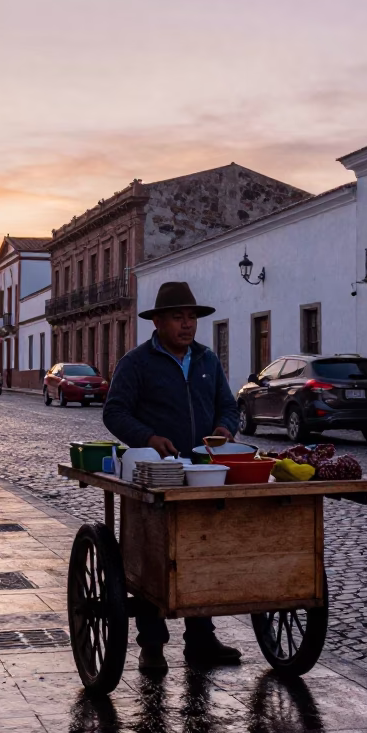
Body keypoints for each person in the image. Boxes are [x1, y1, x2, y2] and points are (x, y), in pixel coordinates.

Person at [103, 281, 241, 673]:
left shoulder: (207, 360)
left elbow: (228, 408)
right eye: (178, 317)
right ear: (159, 322)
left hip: (202, 474)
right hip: (155, 475)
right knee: (153, 558)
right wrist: (148, 437)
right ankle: (152, 644)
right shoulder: (137, 362)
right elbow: (114, 412)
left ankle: (201, 639)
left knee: (199, 554)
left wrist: (225, 430)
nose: (187, 325)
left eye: (192, 318)